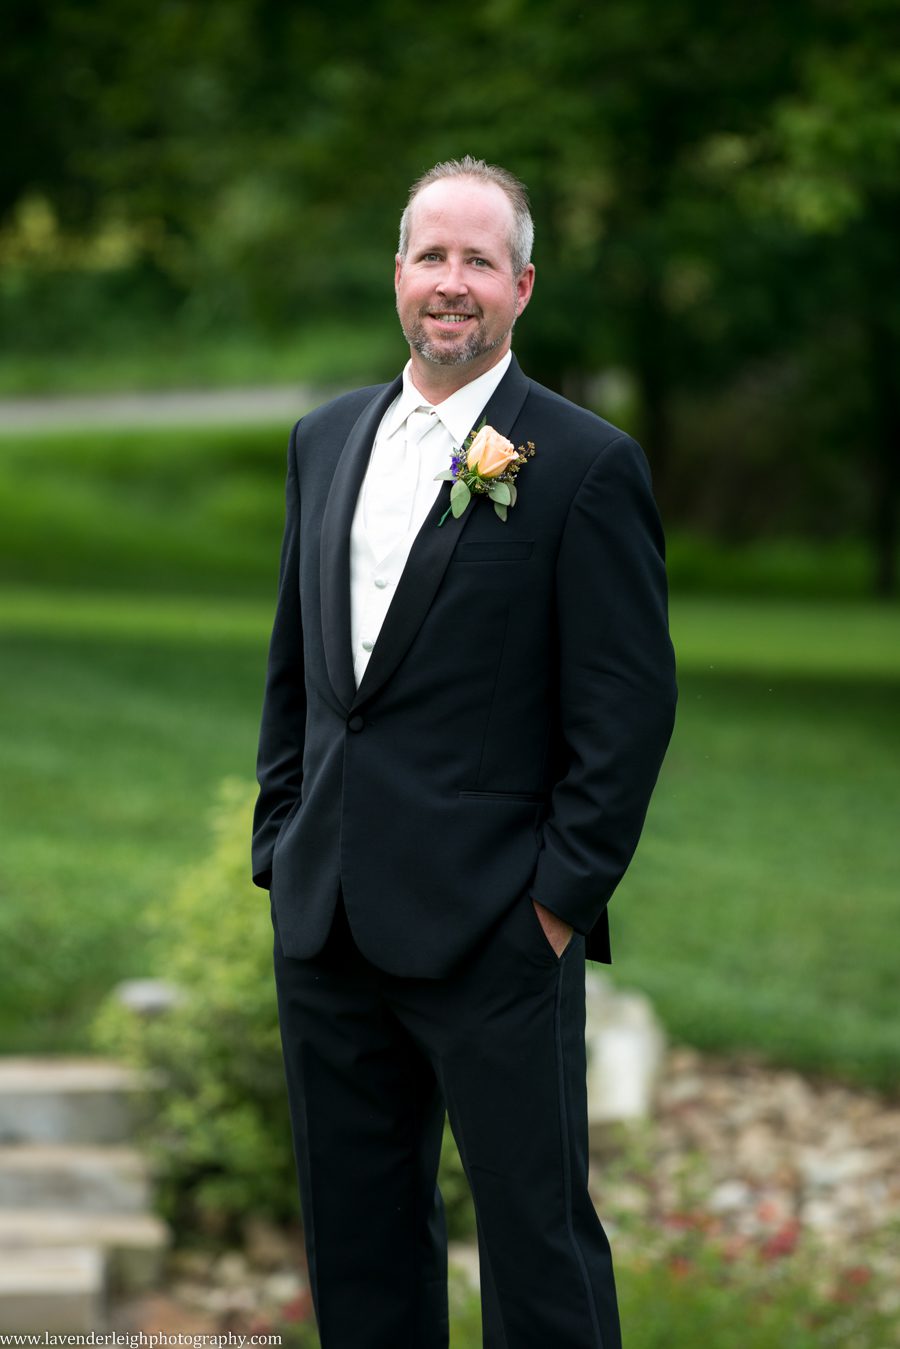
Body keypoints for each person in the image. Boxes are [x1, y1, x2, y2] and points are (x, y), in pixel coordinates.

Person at [252, 155, 677, 1349]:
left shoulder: (585, 464)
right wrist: (279, 841)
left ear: (521, 287)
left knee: (540, 1258)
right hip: (328, 920)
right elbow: (298, 670)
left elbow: (628, 708)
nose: (452, 281)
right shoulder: (324, 440)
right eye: (431, 255)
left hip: (497, 928)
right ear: (398, 272)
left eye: (478, 260)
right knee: (359, 1251)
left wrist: (555, 904)